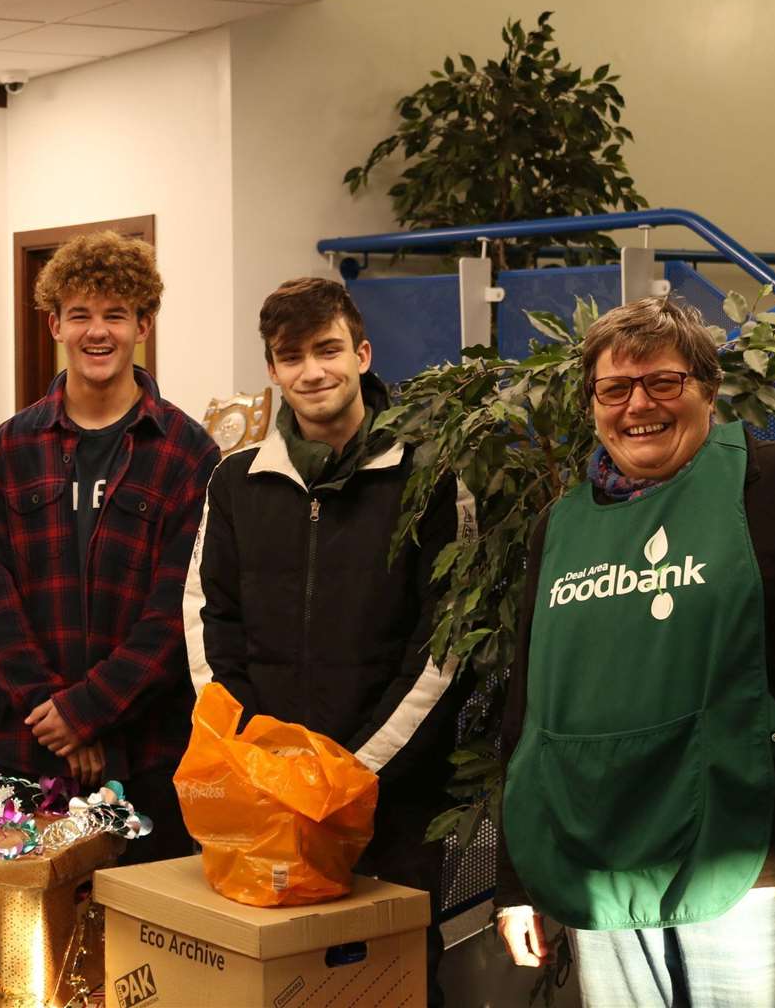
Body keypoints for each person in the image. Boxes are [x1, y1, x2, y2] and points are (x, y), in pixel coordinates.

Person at [496, 296, 775, 1006]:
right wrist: (517, 882)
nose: (638, 405)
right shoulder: (559, 528)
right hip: (604, 871)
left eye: (663, 382)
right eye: (615, 389)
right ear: (593, 406)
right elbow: (529, 705)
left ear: (707, 390)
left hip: (763, 876)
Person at [184, 277, 466, 1006]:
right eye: (291, 356)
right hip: (267, 806)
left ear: (362, 352)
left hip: (390, 801)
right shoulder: (235, 482)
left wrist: (357, 771)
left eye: (328, 349)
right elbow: (210, 622)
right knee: (277, 986)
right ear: (273, 371)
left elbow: (445, 644)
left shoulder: (432, 476)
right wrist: (255, 766)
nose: (312, 371)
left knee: (389, 983)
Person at [0, 230, 218, 864]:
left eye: (115, 314)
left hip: (149, 757)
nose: (96, 331)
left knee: (149, 950)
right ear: (54, 324)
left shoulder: (190, 455)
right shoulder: (7, 450)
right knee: (28, 953)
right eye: (80, 314)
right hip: (30, 752)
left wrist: (88, 711)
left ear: (144, 323)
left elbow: (177, 613)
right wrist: (54, 715)